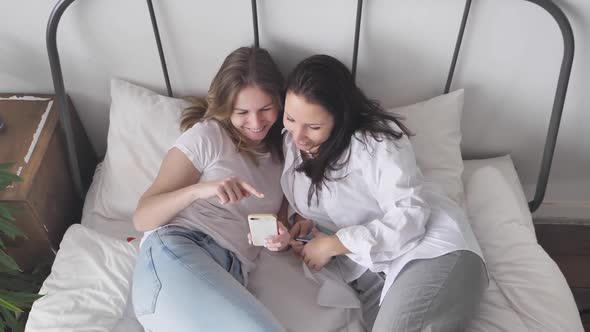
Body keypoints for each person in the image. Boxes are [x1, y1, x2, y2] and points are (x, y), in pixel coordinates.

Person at [281, 54, 488, 332]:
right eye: (290, 118)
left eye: (314, 127)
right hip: (374, 274)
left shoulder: (374, 142)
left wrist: (332, 244)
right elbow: (325, 207)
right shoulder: (292, 143)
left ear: (340, 119)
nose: (298, 136)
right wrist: (306, 224)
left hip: (431, 250)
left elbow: (410, 217)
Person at [131, 46, 290, 332]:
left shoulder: (283, 157)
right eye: (242, 112)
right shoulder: (207, 137)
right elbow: (143, 217)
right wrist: (200, 190)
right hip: (178, 251)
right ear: (227, 107)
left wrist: (280, 237)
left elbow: (272, 225)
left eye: (265, 109)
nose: (255, 123)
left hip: (230, 273)